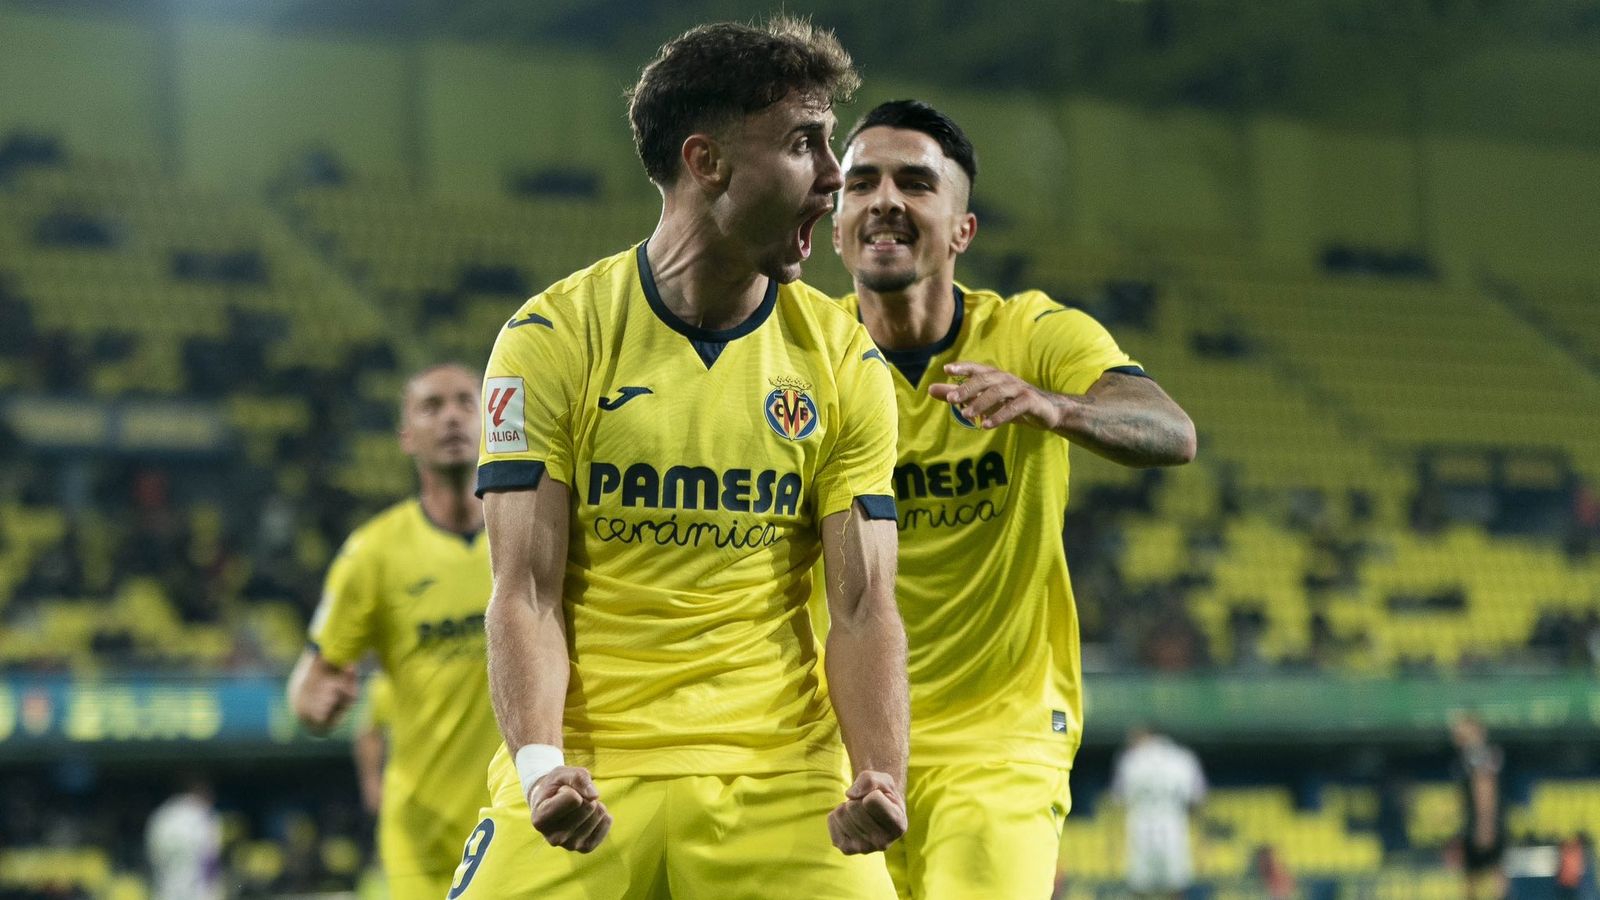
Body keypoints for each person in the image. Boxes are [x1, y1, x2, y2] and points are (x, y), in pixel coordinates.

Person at [450, 17, 907, 900]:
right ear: (707, 163)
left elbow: (861, 607)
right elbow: (526, 592)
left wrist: (881, 771)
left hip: (783, 777)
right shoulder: (552, 340)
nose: (836, 177)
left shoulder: (844, 361)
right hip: (587, 771)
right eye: (806, 142)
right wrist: (542, 766)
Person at [831, 99, 1197, 899]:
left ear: (962, 229)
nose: (884, 199)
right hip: (838, 743)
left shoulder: (1032, 333)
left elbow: (1171, 431)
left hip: (1001, 733)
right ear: (836, 221)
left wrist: (1055, 407)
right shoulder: (799, 353)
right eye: (861, 183)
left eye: (915, 183)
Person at [285, 363, 500, 900]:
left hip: (521, 815)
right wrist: (315, 705)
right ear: (407, 436)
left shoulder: (540, 531)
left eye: (465, 403)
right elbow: (307, 686)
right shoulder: (373, 553)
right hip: (420, 836)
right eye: (432, 406)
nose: (451, 417)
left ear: (494, 420)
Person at [1111, 727, 1207, 898]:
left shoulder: (1131, 758)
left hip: (1141, 829)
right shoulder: (1183, 758)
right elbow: (1197, 799)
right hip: (1173, 829)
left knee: (1138, 888)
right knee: (1176, 888)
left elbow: (1118, 798)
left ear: (1148, 734)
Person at [1451, 711, 1508, 900]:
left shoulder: (1476, 754)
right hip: (1481, 820)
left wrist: (1485, 823)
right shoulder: (1475, 753)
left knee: (1488, 870)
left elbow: (1484, 788)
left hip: (1482, 822)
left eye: (1460, 727)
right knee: (1479, 872)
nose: (1454, 731)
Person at [145, 775, 223, 900]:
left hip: (166, 887)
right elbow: (210, 858)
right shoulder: (204, 814)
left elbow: (153, 852)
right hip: (196, 888)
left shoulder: (163, 812)